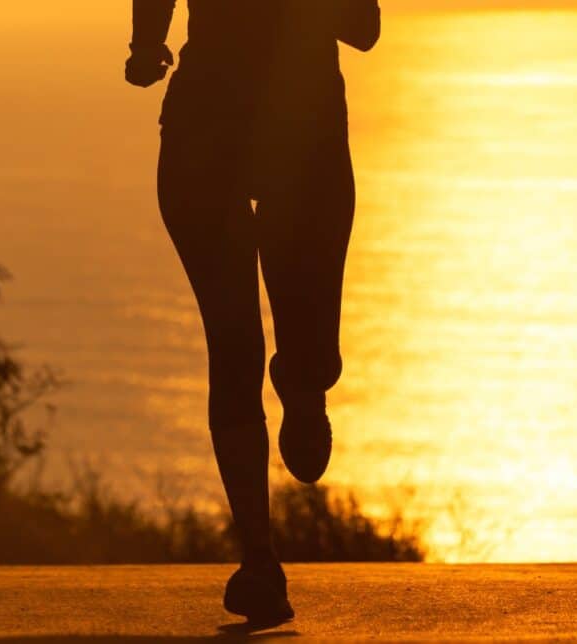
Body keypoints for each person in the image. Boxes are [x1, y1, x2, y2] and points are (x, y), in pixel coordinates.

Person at [125, 0, 381, 624]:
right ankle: (259, 560)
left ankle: (303, 379)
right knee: (233, 347)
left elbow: (365, 28)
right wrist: (144, 43)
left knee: (310, 350)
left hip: (306, 139)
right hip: (204, 136)